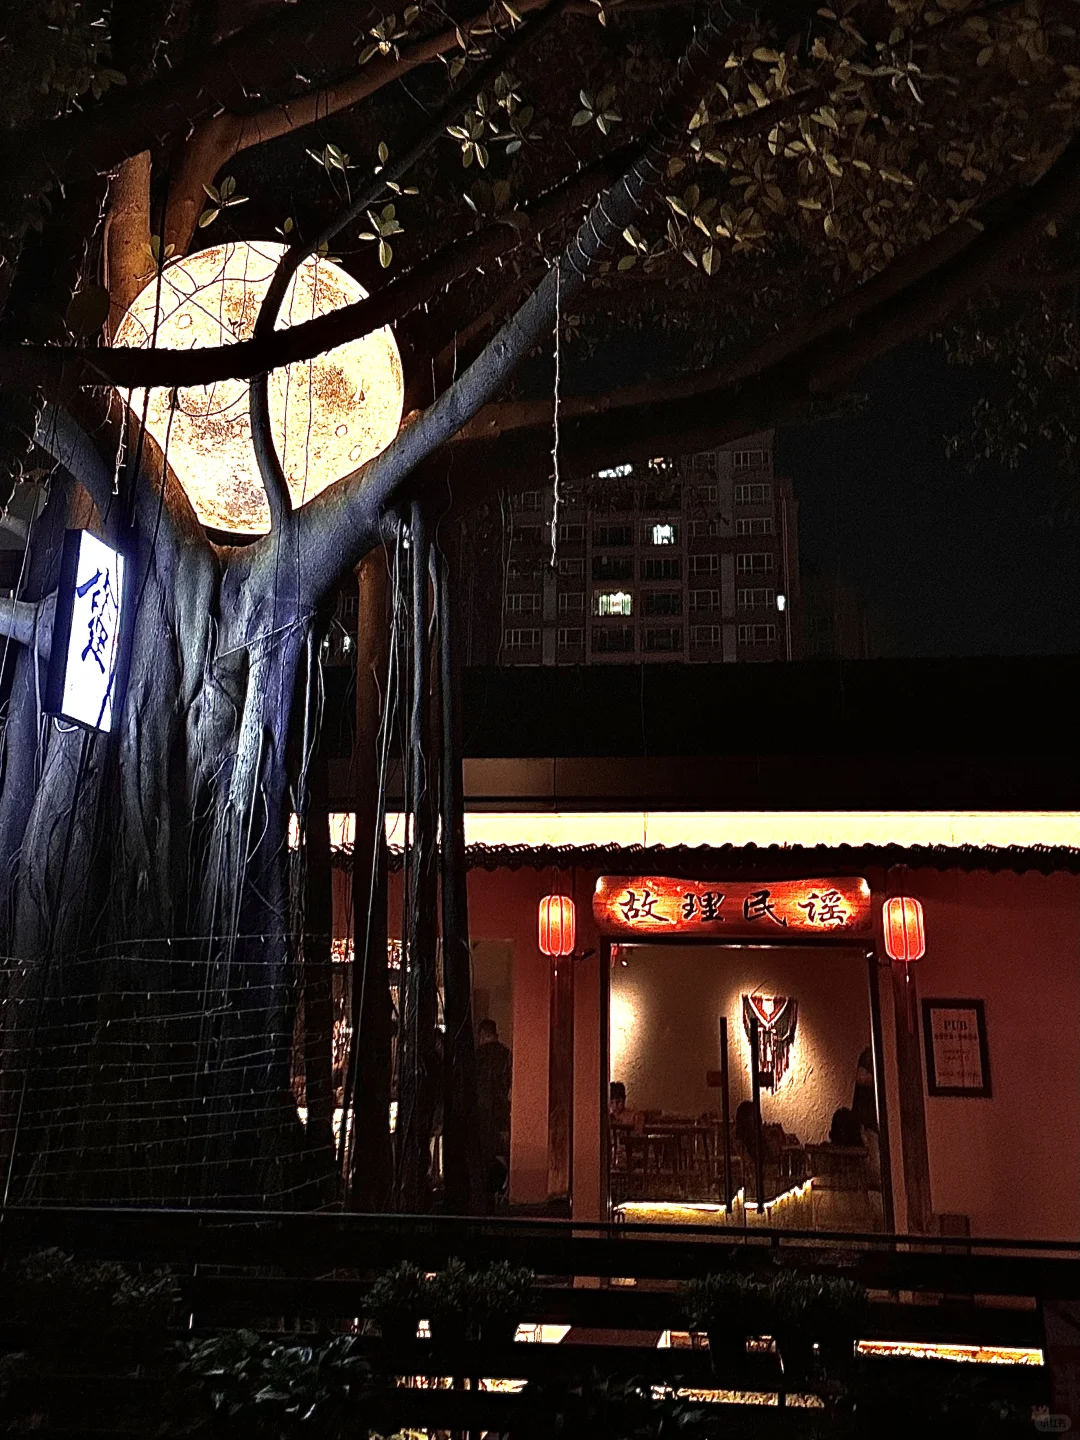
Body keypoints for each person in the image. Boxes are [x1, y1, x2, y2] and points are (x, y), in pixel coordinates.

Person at [476, 1018, 512, 1203]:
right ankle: (503, 1189)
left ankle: (487, 1193)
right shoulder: (505, 1054)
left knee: (485, 1154)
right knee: (501, 1152)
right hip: (501, 1112)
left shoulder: (477, 1056)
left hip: (482, 1113)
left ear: (482, 1034)